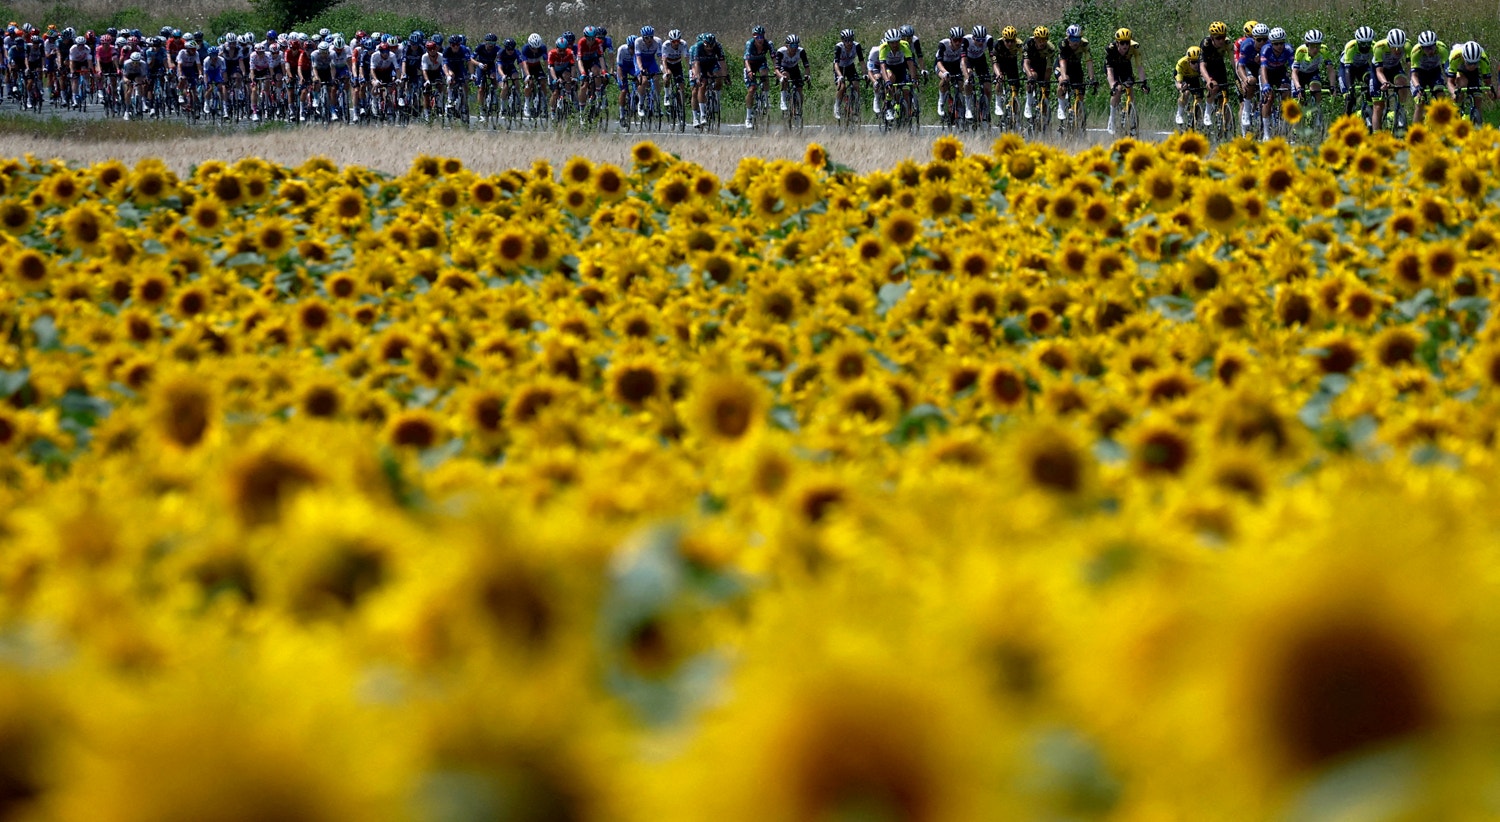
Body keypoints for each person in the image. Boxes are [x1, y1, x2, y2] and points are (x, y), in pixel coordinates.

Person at [1104, 27, 1145, 134]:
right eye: (1122, 43)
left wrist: (1143, 82)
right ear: (1117, 43)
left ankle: (1131, 117)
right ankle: (1112, 119)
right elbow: (1109, 71)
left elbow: (1139, 66)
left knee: (1130, 86)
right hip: (1113, 68)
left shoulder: (1135, 47)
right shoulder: (1111, 49)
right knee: (1117, 89)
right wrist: (1112, 85)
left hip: (1125, 66)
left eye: (1127, 43)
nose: (1125, 46)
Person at [1447, 40, 1499, 117]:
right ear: (1463, 57)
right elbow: (1450, 82)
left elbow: (1487, 81)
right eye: (1469, 63)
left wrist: (1490, 92)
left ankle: (1478, 125)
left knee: (1478, 99)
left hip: (1474, 73)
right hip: (1460, 68)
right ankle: (1456, 110)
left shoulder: (1483, 58)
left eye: (1475, 63)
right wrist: (1453, 92)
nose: (1472, 66)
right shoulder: (1455, 55)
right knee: (1462, 84)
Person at [1257, 27, 1293, 138]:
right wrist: (1266, 84)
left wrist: (1295, 82)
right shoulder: (1266, 49)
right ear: (1271, 43)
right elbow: (1263, 68)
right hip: (1267, 73)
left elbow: (1293, 68)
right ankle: (1266, 134)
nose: (1279, 46)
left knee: (1287, 92)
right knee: (1268, 98)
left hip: (1280, 72)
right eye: (1276, 44)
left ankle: (1284, 125)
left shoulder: (1288, 49)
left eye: (1281, 43)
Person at [1370, 28, 1408, 130]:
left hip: (1395, 68)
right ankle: (1376, 134)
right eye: (1394, 47)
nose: (1397, 51)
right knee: (1378, 106)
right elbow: (1379, 71)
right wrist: (1385, 82)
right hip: (1378, 70)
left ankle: (1399, 110)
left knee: (1402, 83)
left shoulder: (1408, 46)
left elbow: (1411, 67)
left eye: (1400, 48)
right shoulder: (1379, 47)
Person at [1056, 25, 1095, 121]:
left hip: (1076, 67)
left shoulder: (1085, 44)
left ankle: (1080, 121)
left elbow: (1089, 61)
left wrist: (1092, 78)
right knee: (1063, 81)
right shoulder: (1063, 44)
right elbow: (1062, 62)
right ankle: (1061, 106)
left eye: (1078, 39)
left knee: (1080, 93)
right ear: (1068, 38)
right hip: (1062, 66)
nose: (1076, 42)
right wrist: (1064, 78)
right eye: (1073, 38)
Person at [1408, 30, 1447, 121]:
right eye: (1427, 48)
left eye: (1432, 47)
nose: (1430, 50)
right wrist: (1418, 87)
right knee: (1419, 102)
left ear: (1435, 44)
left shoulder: (1442, 48)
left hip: (1435, 72)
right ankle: (1416, 131)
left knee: (1441, 96)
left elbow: (1447, 70)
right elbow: (1413, 75)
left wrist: (1451, 81)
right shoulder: (1415, 52)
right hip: (1420, 74)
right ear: (1421, 47)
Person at [1198, 22, 1231, 127]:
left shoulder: (1228, 43)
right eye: (1218, 38)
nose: (1221, 40)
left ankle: (1226, 124)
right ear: (1212, 37)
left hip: (1220, 67)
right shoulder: (1205, 44)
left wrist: (1239, 76)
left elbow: (1234, 63)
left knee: (1225, 94)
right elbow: (1202, 66)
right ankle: (1207, 113)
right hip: (1207, 69)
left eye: (1223, 37)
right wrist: (1208, 80)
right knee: (1214, 86)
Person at [689, 31, 725, 127]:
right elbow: (695, 64)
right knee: (699, 86)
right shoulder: (696, 48)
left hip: (711, 63)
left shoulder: (718, 46)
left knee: (719, 77)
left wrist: (725, 75)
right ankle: (699, 116)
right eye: (707, 46)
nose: (709, 48)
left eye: (711, 46)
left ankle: (715, 100)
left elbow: (722, 62)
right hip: (697, 66)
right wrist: (697, 77)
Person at [1339, 26, 1376, 115]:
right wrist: (1350, 88)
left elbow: (1376, 66)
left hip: (1362, 67)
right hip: (1347, 68)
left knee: (1370, 82)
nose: (1366, 47)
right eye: (1363, 44)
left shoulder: (1374, 46)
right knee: (1349, 97)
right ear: (1358, 42)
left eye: (1368, 43)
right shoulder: (1351, 46)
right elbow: (1348, 69)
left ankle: (1370, 110)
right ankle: (1346, 120)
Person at [1291, 30, 1331, 113]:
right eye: (1312, 45)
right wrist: (1298, 87)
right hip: (1300, 75)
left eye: (1318, 45)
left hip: (1313, 73)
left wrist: (1333, 86)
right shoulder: (1301, 51)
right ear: (1307, 45)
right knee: (1300, 102)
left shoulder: (1324, 50)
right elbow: (1294, 72)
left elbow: (1330, 70)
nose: (1316, 49)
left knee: (1316, 90)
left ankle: (1317, 117)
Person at [1023, 25, 1055, 120]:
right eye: (1040, 40)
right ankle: (1028, 103)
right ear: (1035, 39)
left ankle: (1044, 114)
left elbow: (1049, 68)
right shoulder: (1028, 43)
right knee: (1033, 77)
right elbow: (1026, 63)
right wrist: (1030, 77)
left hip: (1042, 64)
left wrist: (1046, 81)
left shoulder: (1050, 48)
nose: (1042, 42)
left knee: (1045, 88)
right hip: (1030, 64)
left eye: (1044, 40)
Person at [990, 26, 1023, 119]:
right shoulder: (997, 44)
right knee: (999, 80)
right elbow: (994, 63)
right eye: (1007, 41)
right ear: (1003, 39)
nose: (1010, 43)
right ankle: (998, 102)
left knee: (1015, 88)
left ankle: (1015, 114)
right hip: (1000, 64)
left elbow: (1025, 59)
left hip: (1012, 64)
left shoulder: (1019, 44)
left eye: (1012, 41)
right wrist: (998, 74)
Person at [934, 26, 966, 120]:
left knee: (960, 84)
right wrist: (945, 72)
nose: (958, 43)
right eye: (955, 40)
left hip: (955, 65)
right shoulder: (943, 44)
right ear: (951, 39)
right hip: (942, 65)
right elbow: (938, 62)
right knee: (945, 79)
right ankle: (941, 102)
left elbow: (965, 61)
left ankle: (959, 106)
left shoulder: (963, 45)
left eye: (960, 40)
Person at [743, 24, 772, 127]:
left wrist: (777, 69)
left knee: (765, 74)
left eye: (762, 37)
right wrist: (750, 71)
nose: (760, 39)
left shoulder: (768, 44)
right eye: (757, 37)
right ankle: (748, 118)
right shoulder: (749, 44)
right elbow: (746, 60)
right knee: (752, 89)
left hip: (761, 63)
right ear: (754, 37)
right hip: (750, 65)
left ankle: (766, 98)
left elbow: (774, 57)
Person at [831, 28, 863, 121]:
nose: (849, 43)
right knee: (842, 87)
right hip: (839, 68)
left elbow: (862, 62)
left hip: (850, 66)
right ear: (842, 40)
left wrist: (865, 73)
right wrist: (840, 76)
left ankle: (856, 105)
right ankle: (837, 106)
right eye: (846, 40)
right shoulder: (839, 47)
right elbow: (836, 64)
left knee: (856, 84)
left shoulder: (857, 46)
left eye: (851, 40)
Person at [774, 33, 809, 113]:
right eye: (792, 46)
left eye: (796, 45)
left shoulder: (801, 51)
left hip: (794, 68)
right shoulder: (781, 51)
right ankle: (783, 100)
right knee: (785, 76)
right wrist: (781, 77)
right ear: (787, 46)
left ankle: (798, 109)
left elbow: (806, 67)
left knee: (799, 90)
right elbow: (776, 69)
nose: (794, 48)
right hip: (784, 68)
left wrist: (807, 75)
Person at [1174, 45, 1203, 126]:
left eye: (1198, 62)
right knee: (1185, 92)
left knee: (1199, 97)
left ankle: (1199, 119)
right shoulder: (1182, 63)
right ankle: (1179, 114)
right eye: (1193, 62)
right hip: (1184, 77)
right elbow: (1179, 83)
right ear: (1188, 61)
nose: (1196, 65)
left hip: (1195, 77)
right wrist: (1181, 87)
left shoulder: (1203, 64)